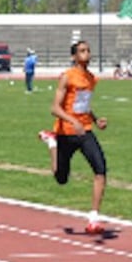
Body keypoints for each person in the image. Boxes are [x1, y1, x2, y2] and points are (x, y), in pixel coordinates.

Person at [38, 40, 110, 234]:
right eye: (82, 51)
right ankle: (51, 142)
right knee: (61, 178)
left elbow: (83, 105)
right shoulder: (67, 77)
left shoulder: (91, 79)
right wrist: (72, 121)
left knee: (101, 169)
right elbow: (54, 108)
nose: (87, 53)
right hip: (66, 133)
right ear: (74, 56)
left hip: (84, 131)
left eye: (88, 50)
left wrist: (95, 120)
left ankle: (93, 219)